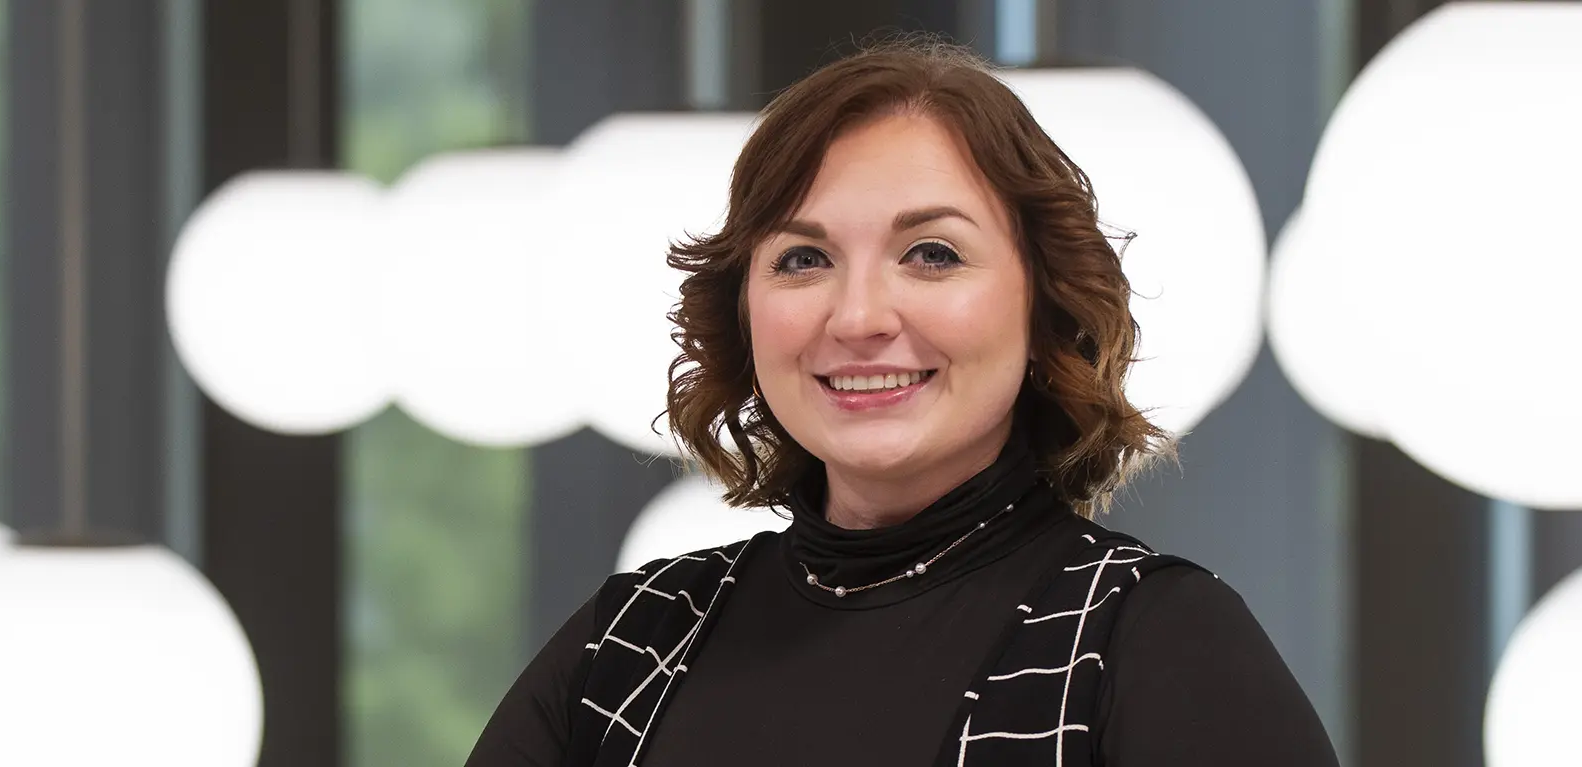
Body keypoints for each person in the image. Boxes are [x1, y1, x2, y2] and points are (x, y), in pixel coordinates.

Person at [466, 38, 1339, 767]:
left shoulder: (1150, 641)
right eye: (803, 259)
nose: (858, 318)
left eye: (931, 253)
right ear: (745, 311)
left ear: (1043, 308)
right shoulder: (633, 643)